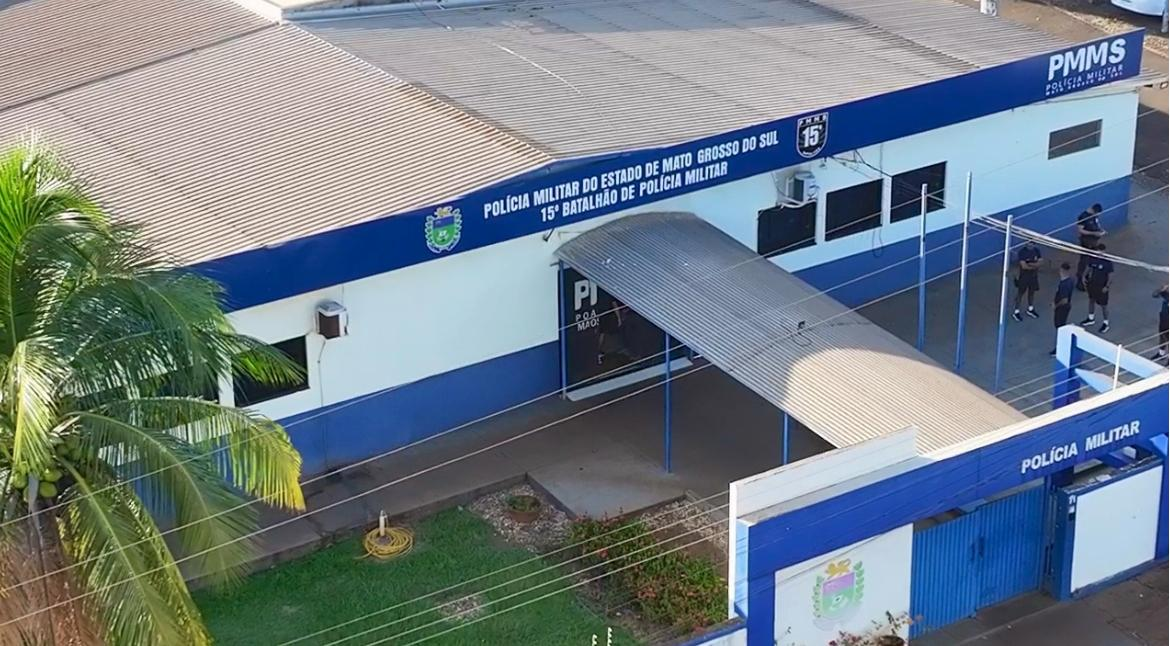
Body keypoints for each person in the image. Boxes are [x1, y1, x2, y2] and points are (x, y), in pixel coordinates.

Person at [1078, 243, 1113, 333]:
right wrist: (1083, 276)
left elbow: (1110, 276)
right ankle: (1091, 318)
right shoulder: (1093, 258)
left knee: (1103, 306)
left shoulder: (1107, 262)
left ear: (1104, 251)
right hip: (1092, 284)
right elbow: (1089, 268)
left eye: (1101, 252)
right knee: (1091, 300)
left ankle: (1106, 323)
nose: (1099, 253)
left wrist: (1107, 286)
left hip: (1102, 286)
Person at [1075, 203, 1106, 290]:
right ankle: (1079, 280)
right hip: (1086, 242)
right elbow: (1081, 230)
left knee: (1093, 259)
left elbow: (1097, 224)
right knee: (1084, 261)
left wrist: (1100, 230)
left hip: (1094, 241)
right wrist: (1094, 233)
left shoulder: (1094, 216)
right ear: (1093, 210)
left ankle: (1088, 276)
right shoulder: (1083, 217)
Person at [1012, 239, 1042, 321]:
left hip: (1033, 276)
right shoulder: (1022, 252)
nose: (1031, 245)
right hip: (1024, 277)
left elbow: (1040, 263)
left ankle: (1030, 309)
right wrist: (1034, 265)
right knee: (1020, 293)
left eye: (1032, 243)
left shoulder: (1037, 250)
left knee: (1032, 292)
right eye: (1029, 243)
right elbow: (1024, 266)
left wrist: (1030, 264)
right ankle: (1016, 311)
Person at [1050, 262, 1075, 356]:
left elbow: (1064, 300)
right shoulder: (1069, 281)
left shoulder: (1064, 284)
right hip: (1065, 307)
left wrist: (1055, 306)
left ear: (1062, 270)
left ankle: (1060, 348)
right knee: (1060, 327)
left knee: (1060, 328)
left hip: (1062, 308)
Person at [1155, 284, 1168, 361]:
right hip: (1163, 319)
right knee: (1162, 337)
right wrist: (1162, 289)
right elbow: (1155, 295)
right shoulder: (1167, 295)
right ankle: (1161, 354)